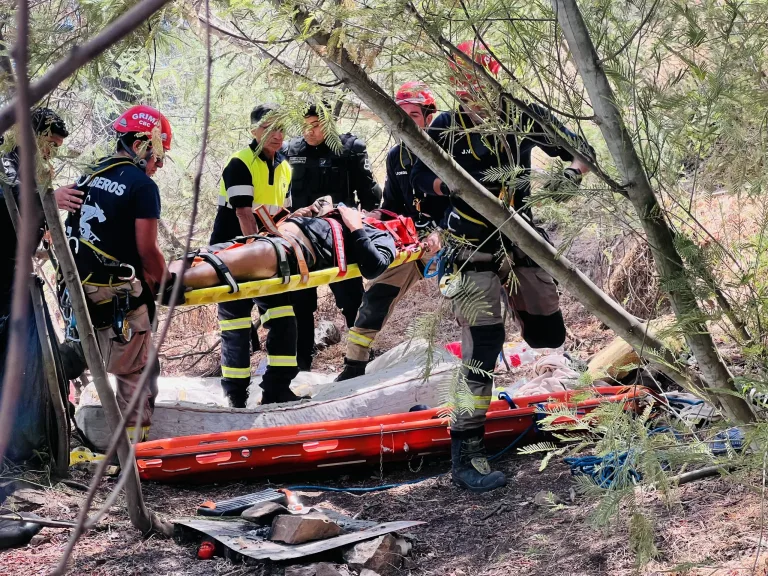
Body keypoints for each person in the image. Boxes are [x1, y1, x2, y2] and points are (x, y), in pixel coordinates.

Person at [410, 41, 593, 492]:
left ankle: (526, 324)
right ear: (457, 87)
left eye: (482, 82)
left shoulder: (520, 116)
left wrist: (568, 178)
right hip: (469, 249)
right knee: (483, 347)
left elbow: (579, 149)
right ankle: (465, 450)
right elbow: (420, 181)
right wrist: (454, 187)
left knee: (548, 336)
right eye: (466, 87)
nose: (475, 95)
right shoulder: (445, 128)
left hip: (521, 241)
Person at [62, 104, 173, 442]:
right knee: (137, 372)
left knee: (76, 357)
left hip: (78, 291)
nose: (159, 166)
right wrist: (165, 283)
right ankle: (134, 455)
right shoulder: (141, 186)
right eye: (158, 156)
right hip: (118, 295)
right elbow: (147, 250)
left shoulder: (89, 174)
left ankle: (54, 421)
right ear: (142, 145)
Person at [336, 82, 448, 381]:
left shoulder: (447, 152)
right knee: (375, 298)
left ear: (429, 116)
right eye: (401, 114)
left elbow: (464, 200)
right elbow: (394, 205)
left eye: (413, 114)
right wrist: (375, 219)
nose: (407, 121)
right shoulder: (396, 157)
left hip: (454, 236)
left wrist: (441, 232)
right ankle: (353, 365)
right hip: (413, 241)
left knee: (470, 298)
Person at [284, 105, 383, 370]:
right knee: (300, 307)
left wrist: (364, 225)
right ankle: (301, 365)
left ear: (329, 124)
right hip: (302, 242)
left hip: (340, 242)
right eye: (305, 123)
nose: (310, 130)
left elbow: (371, 194)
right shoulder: (290, 151)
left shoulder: (349, 148)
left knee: (352, 302)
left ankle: (361, 359)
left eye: (316, 124)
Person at [211, 103, 295, 408]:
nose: (276, 135)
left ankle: (277, 388)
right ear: (253, 131)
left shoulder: (285, 165)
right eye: (268, 129)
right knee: (235, 327)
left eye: (281, 129)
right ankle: (236, 396)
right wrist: (261, 251)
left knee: (285, 320)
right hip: (231, 256)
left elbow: (285, 213)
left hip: (267, 257)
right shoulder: (240, 163)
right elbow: (244, 215)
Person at [171, 205, 398, 291]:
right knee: (199, 254)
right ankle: (149, 278)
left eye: (373, 213)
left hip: (287, 250)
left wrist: (356, 226)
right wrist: (304, 213)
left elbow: (374, 267)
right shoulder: (339, 215)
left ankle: (155, 286)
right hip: (266, 237)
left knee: (219, 265)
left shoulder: (381, 235)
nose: (367, 211)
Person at [1, 108, 81, 315]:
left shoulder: (33, 167)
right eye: (51, 144)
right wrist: (48, 200)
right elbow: (8, 195)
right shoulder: (6, 159)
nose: (52, 152)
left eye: (57, 147)